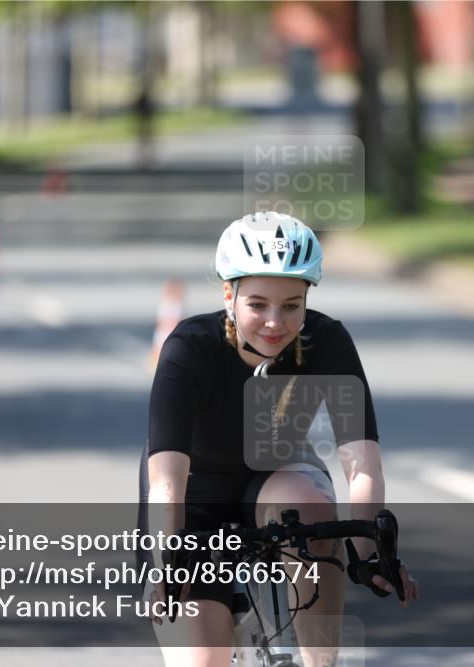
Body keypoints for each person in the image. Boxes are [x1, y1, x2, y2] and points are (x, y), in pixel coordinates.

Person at [139, 212, 419, 667]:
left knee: (309, 510)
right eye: (258, 304)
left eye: (291, 305)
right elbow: (168, 482)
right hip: (193, 501)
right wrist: (169, 563)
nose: (275, 322)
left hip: (276, 479)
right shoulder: (190, 346)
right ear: (228, 294)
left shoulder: (327, 340)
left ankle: (319, 662)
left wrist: (369, 554)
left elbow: (362, 465)